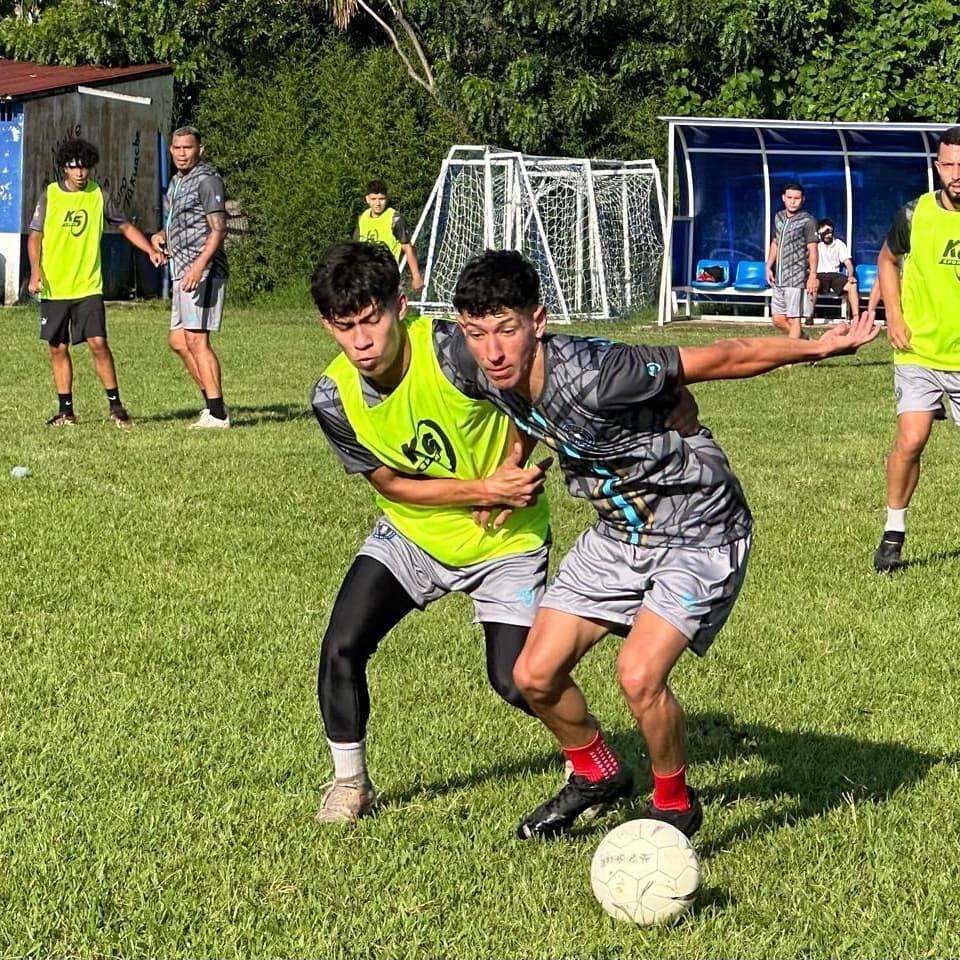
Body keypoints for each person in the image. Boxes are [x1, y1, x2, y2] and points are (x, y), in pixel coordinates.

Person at [450, 249, 881, 840]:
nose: (493, 349)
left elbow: (723, 355)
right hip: (619, 531)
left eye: (507, 329)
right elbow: (524, 410)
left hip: (699, 528)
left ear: (539, 321)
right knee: (534, 674)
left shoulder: (603, 374)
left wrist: (817, 347)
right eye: (477, 333)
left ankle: (675, 805)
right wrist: (509, 468)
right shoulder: (476, 365)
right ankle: (597, 775)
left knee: (638, 675)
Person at [308, 240, 551, 823]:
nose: (362, 340)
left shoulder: (452, 352)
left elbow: (533, 389)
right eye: (346, 328)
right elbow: (390, 484)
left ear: (401, 304)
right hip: (414, 536)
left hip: (505, 541)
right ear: (327, 326)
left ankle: (589, 757)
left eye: (373, 320)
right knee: (342, 647)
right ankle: (351, 785)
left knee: (518, 681)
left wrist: (512, 464)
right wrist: (482, 489)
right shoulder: (331, 397)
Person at [27, 138, 164, 428]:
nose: (80, 173)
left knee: (98, 343)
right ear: (65, 168)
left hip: (88, 286)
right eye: (75, 168)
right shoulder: (50, 195)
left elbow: (125, 226)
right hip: (55, 286)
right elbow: (35, 236)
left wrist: (150, 250)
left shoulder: (99, 196)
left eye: (85, 168)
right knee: (57, 347)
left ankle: (116, 406)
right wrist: (36, 272)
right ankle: (66, 411)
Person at [872, 126, 960, 573]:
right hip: (919, 352)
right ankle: (893, 531)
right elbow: (886, 261)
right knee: (912, 439)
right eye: (949, 164)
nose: (957, 173)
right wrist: (895, 316)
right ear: (937, 166)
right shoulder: (914, 214)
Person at [150, 126, 230, 429]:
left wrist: (199, 266)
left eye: (188, 148)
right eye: (177, 148)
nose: (182, 154)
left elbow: (218, 228)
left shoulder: (207, 180)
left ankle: (218, 413)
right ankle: (212, 404)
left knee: (197, 340)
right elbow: (175, 223)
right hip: (180, 270)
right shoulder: (176, 182)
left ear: (200, 149)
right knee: (178, 341)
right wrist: (161, 237)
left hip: (203, 271)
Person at [766, 183, 819, 337]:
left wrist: (812, 276)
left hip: (796, 276)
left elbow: (813, 249)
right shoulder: (779, 217)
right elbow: (776, 242)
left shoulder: (808, 221)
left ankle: (793, 358)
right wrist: (768, 266)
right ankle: (804, 342)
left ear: (803, 199)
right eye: (789, 197)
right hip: (779, 276)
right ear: (783, 198)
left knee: (794, 318)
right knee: (778, 319)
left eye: (796, 198)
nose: (792, 201)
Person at [354, 179, 424, 294]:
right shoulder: (362, 218)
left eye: (381, 199)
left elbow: (408, 248)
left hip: (387, 274)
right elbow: (356, 248)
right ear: (367, 199)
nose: (378, 203)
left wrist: (416, 276)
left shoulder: (394, 218)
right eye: (373, 199)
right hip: (366, 274)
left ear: (387, 199)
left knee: (388, 309)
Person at [816, 218, 859, 320]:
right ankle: (809, 316)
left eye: (830, 232)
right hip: (819, 274)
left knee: (852, 285)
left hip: (834, 275)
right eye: (825, 232)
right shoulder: (815, 245)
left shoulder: (839, 244)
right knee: (813, 284)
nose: (828, 235)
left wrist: (850, 276)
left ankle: (856, 316)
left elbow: (848, 262)